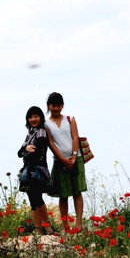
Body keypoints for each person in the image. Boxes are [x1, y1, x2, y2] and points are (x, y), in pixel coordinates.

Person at [45, 92, 87, 231]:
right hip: (59, 161)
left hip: (76, 158)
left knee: (77, 191)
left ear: (62, 106)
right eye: (53, 105)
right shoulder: (46, 124)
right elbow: (50, 143)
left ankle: (79, 223)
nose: (56, 108)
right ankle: (65, 226)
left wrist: (74, 157)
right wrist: (63, 160)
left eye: (58, 105)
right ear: (49, 106)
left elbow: (75, 138)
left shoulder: (70, 119)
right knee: (63, 194)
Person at [17, 106, 53, 235]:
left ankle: (47, 227)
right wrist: (26, 148)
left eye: (36, 116)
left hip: (37, 168)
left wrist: (31, 167)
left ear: (41, 118)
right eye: (30, 117)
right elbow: (19, 153)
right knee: (32, 199)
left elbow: (40, 151)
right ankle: (37, 229)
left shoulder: (42, 132)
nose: (33, 119)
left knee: (37, 198)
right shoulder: (30, 133)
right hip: (28, 168)